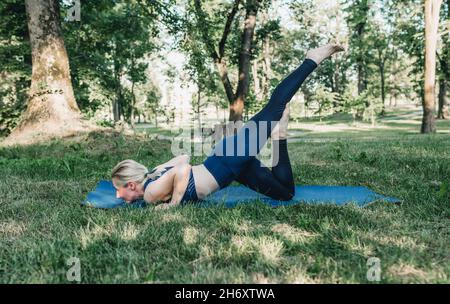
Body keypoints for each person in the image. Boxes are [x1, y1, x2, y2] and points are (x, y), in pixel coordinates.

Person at [111, 44, 345, 210]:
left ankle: (311, 59)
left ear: (131, 185)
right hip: (231, 167)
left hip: (228, 160)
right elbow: (181, 157)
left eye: (117, 189)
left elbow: (183, 167)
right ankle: (279, 135)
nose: (116, 194)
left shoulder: (151, 194)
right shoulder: (153, 179)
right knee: (285, 193)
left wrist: (173, 204)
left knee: (276, 106)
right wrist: (159, 172)